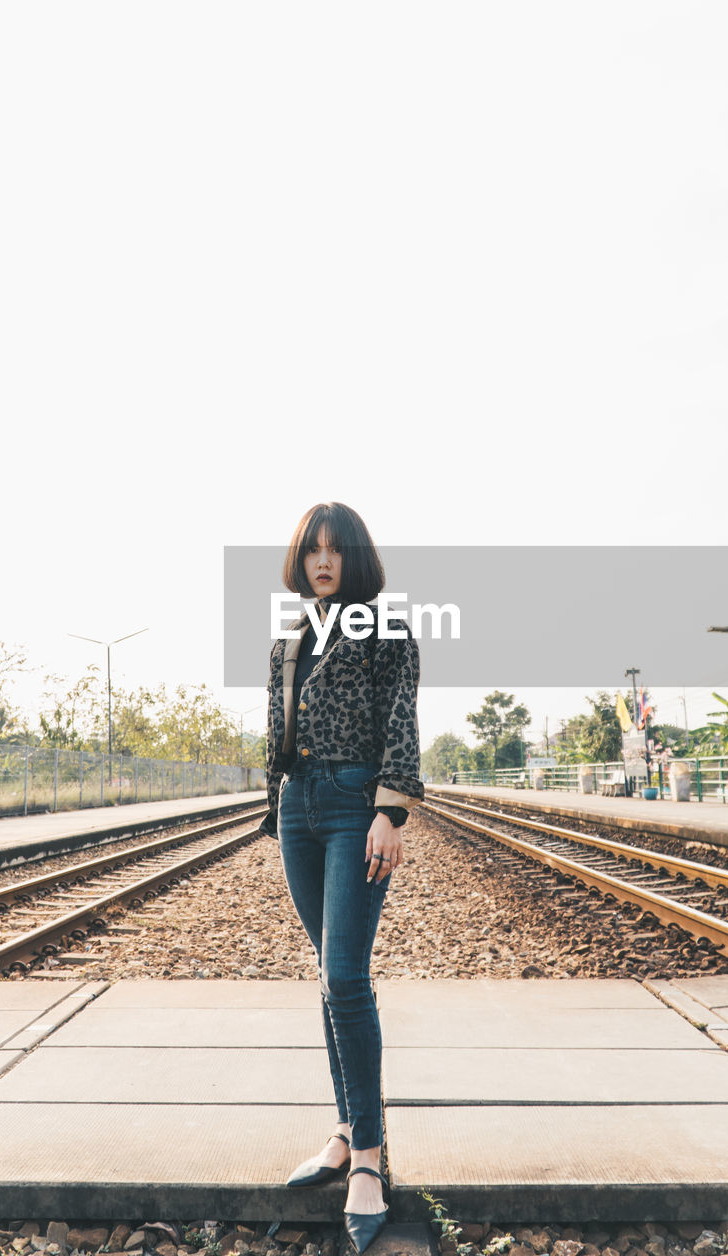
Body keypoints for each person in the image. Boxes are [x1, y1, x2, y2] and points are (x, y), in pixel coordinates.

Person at [260, 502, 424, 1255]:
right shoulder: (288, 635)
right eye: (313, 550)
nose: (324, 561)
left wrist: (389, 810)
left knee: (347, 978)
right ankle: (345, 1127)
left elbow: (400, 717)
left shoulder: (385, 628)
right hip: (300, 806)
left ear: (355, 558)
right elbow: (277, 724)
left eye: (336, 550)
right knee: (329, 979)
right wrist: (276, 806)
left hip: (359, 802)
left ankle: (367, 1158)